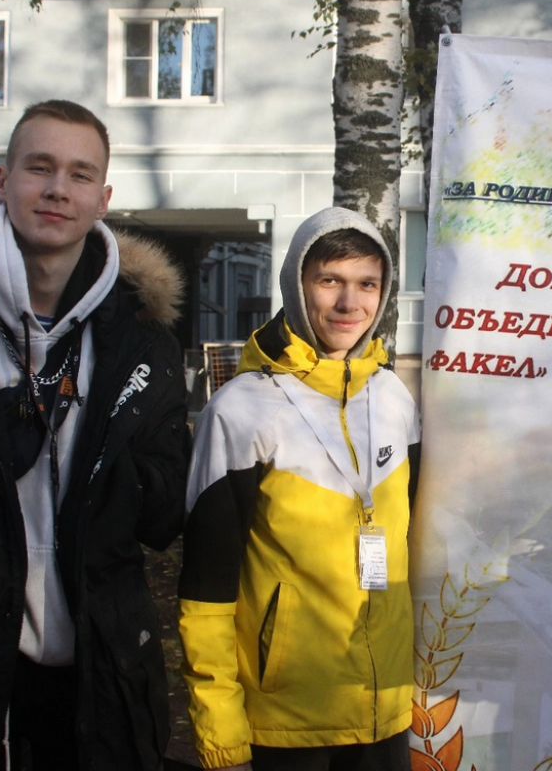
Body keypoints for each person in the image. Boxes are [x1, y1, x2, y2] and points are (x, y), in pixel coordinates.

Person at [0, 100, 190, 770]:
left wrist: (120, 482)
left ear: (103, 198)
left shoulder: (144, 346)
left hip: (97, 671)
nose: (57, 189)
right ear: (1, 180)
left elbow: (166, 505)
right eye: (39, 167)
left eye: (80, 174)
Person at [179, 207, 420, 770]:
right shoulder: (239, 411)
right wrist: (220, 733)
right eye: (329, 280)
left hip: (386, 711)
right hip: (285, 726)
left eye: (367, 284)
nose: (349, 304)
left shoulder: (393, 399)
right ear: (295, 284)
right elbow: (204, 589)